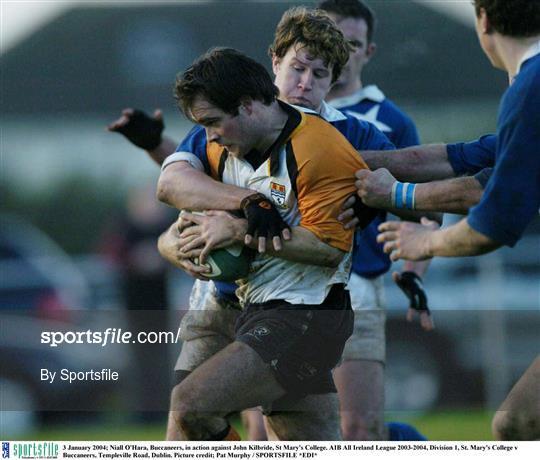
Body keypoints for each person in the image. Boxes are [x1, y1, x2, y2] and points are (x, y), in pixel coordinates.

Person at [110, 7, 430, 440]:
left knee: (356, 430)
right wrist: (181, 240)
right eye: (297, 67)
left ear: (339, 73)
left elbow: (420, 195)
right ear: (274, 61)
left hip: (322, 298)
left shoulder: (357, 133)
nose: (305, 82)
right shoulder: (237, 111)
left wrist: (384, 202)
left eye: (319, 73)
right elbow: (183, 179)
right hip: (227, 297)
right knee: (195, 425)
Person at [160, 46, 372, 441]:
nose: (208, 137)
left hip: (306, 315)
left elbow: (330, 249)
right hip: (255, 309)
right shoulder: (220, 143)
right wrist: (181, 241)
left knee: (191, 408)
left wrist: (240, 233)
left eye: (212, 123)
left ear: (248, 107)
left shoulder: (319, 148)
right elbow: (168, 187)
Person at [374, 0, 540, 441]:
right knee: (518, 424)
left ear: (482, 18)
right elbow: (465, 160)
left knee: (518, 424)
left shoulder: (531, 85)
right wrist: (349, 161)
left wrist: (421, 241)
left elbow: (493, 219)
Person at [312, 0, 429, 440]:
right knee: (269, 434)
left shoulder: (390, 121)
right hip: (275, 282)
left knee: (358, 428)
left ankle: (404, 442)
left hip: (354, 286)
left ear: (369, 51)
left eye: (351, 43)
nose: (338, 54)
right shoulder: (276, 111)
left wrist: (414, 273)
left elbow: (422, 209)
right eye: (328, 42)